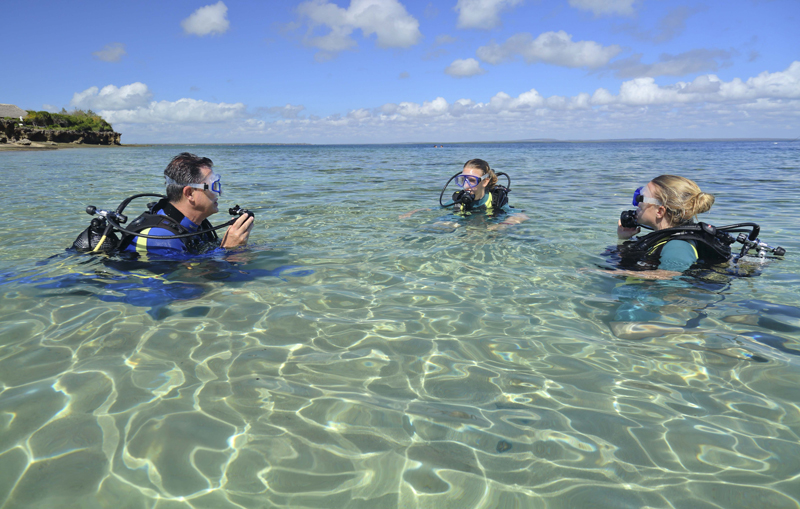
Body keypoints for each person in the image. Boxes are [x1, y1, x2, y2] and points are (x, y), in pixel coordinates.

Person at [119, 152, 254, 256]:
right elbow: (177, 289)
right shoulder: (160, 239)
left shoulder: (197, 225)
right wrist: (228, 250)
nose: (219, 192)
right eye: (213, 186)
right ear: (189, 193)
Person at [616, 174, 717, 277]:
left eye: (641, 198)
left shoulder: (678, 246)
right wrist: (623, 239)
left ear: (660, 211)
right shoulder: (664, 239)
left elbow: (672, 279)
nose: (637, 203)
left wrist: (609, 273)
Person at [401, 158, 528, 226]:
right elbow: (435, 208)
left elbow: (523, 215)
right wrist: (413, 212)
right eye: (463, 180)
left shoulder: (495, 199)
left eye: (472, 180)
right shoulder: (459, 199)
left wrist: (500, 226)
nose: (466, 185)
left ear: (484, 182)